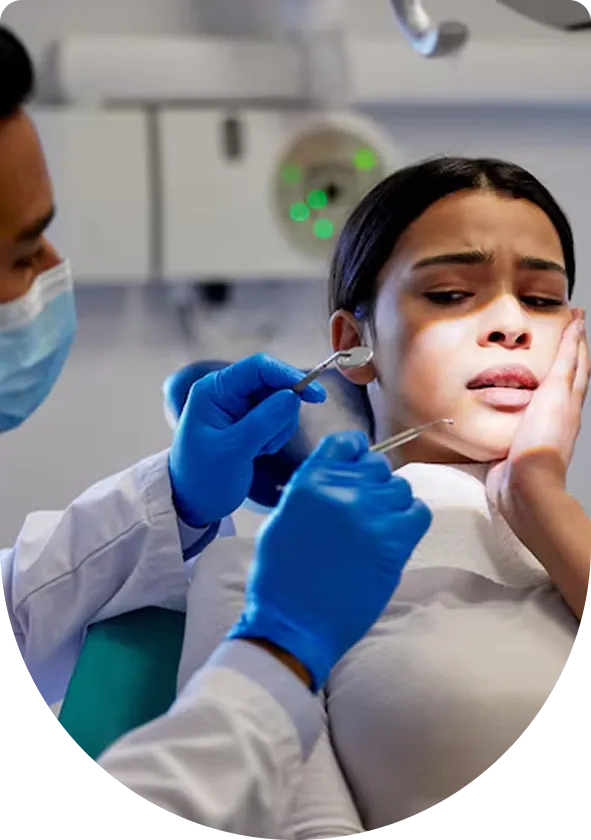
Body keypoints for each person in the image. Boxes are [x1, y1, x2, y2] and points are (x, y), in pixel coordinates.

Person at [0, 25, 435, 835]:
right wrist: (280, 649)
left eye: (544, 295)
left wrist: (178, 498)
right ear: (350, 339)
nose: (51, 266)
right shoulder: (246, 578)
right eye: (21, 253)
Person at [173, 156, 590, 834]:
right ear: (353, 342)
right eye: (452, 293)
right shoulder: (263, 582)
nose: (510, 321)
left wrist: (540, 499)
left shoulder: (572, 546)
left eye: (541, 299)